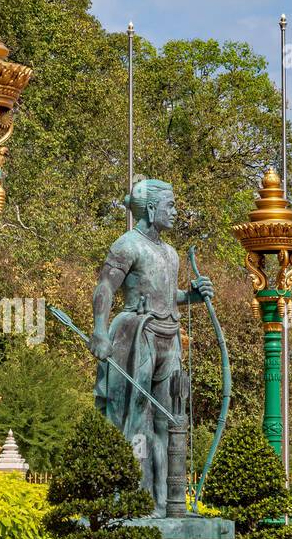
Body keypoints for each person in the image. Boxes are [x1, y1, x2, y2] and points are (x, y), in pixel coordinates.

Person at [89, 179, 212, 516]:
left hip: (169, 337)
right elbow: (105, 287)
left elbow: (164, 294)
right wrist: (100, 331)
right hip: (135, 335)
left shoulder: (170, 253)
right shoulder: (127, 245)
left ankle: (169, 502)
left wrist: (193, 298)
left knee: (169, 419)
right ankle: (132, 497)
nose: (175, 212)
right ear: (153, 208)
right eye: (170, 206)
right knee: (135, 415)